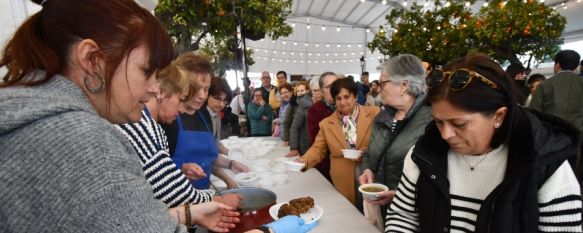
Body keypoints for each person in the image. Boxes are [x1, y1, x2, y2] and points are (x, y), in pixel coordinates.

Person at [0, 0, 240, 231]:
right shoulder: (82, 138)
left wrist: (187, 213)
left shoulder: (30, 115)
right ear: (91, 59)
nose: (153, 88)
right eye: (146, 71)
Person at [385, 53, 582, 232]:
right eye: (438, 122)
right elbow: (403, 216)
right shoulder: (424, 154)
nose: (445, 134)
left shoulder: (545, 166)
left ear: (499, 116)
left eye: (459, 124)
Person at [117, 63, 214, 208]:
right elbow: (171, 193)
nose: (181, 109)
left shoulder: (150, 123)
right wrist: (218, 200)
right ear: (160, 92)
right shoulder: (142, 124)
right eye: (181, 99)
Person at [358, 54, 432, 223]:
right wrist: (368, 169)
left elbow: (437, 176)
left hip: (414, 217)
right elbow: (370, 152)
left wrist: (400, 195)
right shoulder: (381, 118)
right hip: (381, 209)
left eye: (383, 83)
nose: (378, 87)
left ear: (404, 86)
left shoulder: (432, 121)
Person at [297, 78, 380, 206]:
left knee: (373, 212)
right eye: (338, 98)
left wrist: (369, 150)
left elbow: (382, 140)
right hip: (342, 179)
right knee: (350, 213)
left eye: (347, 97)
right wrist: (304, 160)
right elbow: (318, 149)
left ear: (356, 96)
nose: (342, 102)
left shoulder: (374, 113)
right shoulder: (326, 124)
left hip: (371, 173)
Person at [530, 50, 583, 180]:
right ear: (576, 67)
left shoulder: (544, 85)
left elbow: (534, 113)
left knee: (553, 176)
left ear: (557, 65)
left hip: (552, 140)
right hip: (580, 138)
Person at [201, 76, 251, 189]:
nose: (221, 104)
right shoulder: (200, 117)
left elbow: (215, 142)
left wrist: (231, 155)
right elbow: (207, 155)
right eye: (217, 98)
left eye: (224, 101)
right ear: (206, 95)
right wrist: (228, 177)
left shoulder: (217, 115)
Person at [306, 72, 339, 182]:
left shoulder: (348, 107)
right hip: (326, 165)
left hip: (348, 167)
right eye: (329, 87)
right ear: (321, 91)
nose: (334, 89)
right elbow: (317, 142)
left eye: (336, 84)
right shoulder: (314, 110)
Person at [287, 77, 322, 157]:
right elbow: (294, 127)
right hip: (307, 146)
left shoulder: (328, 104)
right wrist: (294, 148)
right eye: (315, 90)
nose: (317, 93)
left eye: (319, 90)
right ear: (310, 91)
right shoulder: (304, 104)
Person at [282, 81, 309, 146]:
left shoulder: (312, 102)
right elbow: (286, 122)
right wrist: (287, 139)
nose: (300, 93)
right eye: (298, 91)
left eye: (302, 90)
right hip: (297, 136)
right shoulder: (293, 103)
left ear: (308, 91)